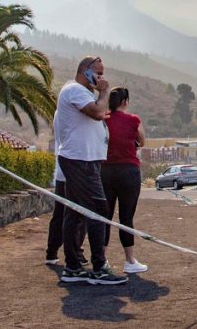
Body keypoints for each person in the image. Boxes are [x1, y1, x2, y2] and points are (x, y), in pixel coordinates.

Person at [56, 56, 127, 285]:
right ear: (85, 71)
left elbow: (98, 112)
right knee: (98, 209)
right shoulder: (75, 90)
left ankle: (73, 266)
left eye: (103, 73)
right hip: (80, 160)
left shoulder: (82, 92)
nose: (101, 78)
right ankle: (99, 267)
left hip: (85, 159)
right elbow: (98, 113)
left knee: (76, 213)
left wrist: (100, 97)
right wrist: (104, 93)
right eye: (98, 73)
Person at [101, 87, 148, 273]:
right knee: (126, 217)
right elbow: (142, 141)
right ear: (124, 102)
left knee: (104, 216)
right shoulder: (133, 120)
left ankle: (102, 258)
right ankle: (129, 260)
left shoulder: (103, 119)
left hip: (105, 170)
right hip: (128, 171)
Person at [45, 108, 87, 266]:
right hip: (73, 170)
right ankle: (75, 254)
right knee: (79, 216)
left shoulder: (59, 113)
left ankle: (52, 252)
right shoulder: (75, 113)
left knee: (60, 214)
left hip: (62, 171)